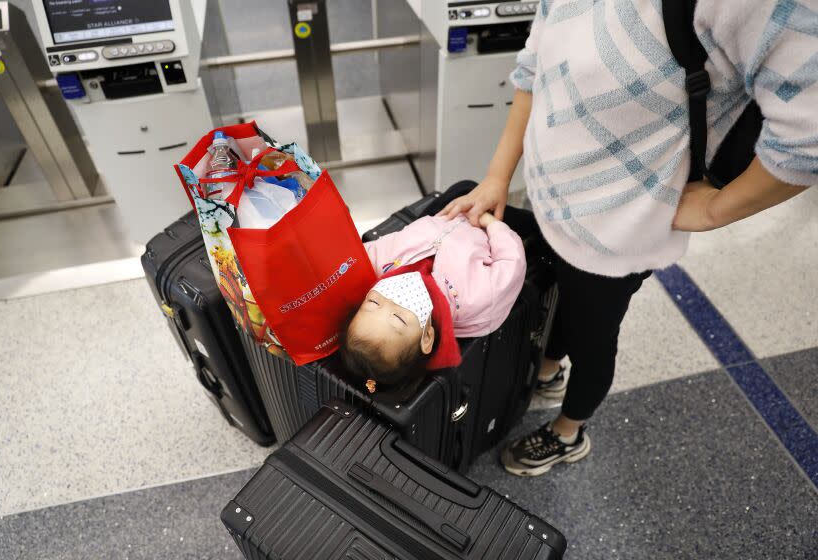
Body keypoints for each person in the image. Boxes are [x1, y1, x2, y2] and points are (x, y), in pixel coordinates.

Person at [438, 0, 815, 477]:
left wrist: (716, 209)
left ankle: (569, 430)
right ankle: (549, 368)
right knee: (558, 299)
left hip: (620, 230)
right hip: (554, 201)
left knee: (594, 334)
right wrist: (497, 177)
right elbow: (535, 65)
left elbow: (808, 136)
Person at [341, 203, 527, 394]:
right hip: (489, 221)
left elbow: (354, 258)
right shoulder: (473, 298)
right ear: (427, 336)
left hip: (446, 210)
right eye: (398, 318)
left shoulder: (380, 265)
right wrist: (490, 223)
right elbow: (512, 262)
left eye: (373, 302)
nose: (391, 298)